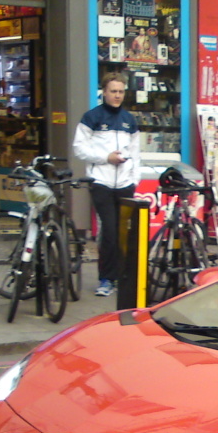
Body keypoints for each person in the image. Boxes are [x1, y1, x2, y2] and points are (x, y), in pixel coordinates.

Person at [73, 72, 141, 296]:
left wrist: (135, 179)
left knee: (125, 234)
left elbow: (136, 153)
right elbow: (79, 148)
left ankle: (123, 276)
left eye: (121, 91)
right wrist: (106, 157)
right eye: (113, 91)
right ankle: (106, 279)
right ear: (104, 91)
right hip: (101, 182)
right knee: (110, 231)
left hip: (125, 184)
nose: (117, 95)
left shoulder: (129, 120)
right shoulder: (91, 117)